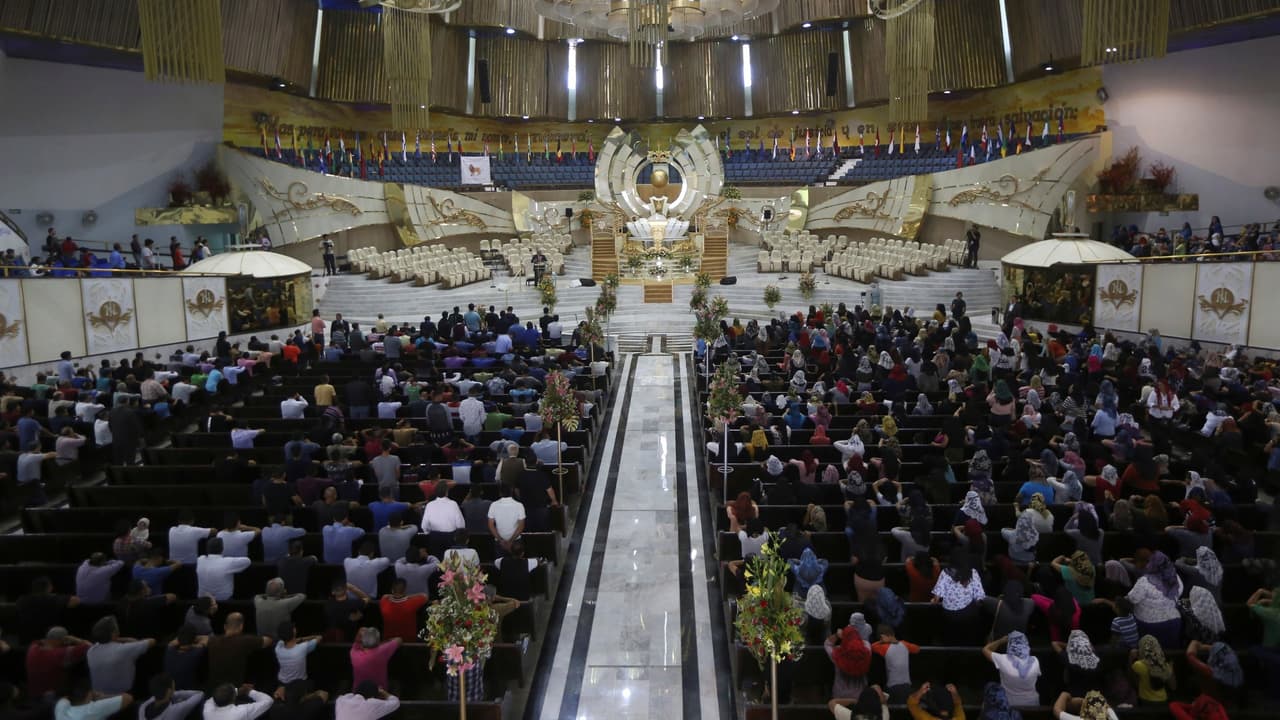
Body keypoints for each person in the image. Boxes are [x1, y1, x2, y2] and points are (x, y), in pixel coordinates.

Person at [86, 615, 154, 694]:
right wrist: (123, 639)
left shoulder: (91, 651)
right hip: (122, 695)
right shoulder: (123, 649)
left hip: (98, 696)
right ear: (114, 633)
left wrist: (113, 639)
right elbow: (152, 641)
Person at [984, 632, 1041, 707]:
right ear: (1026, 644)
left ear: (1009, 644)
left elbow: (985, 649)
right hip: (1032, 706)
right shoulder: (1035, 661)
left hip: (1009, 706)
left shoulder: (1002, 659)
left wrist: (1001, 640)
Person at [53, 676, 133, 720]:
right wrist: (102, 697)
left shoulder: (61, 708)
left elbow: (64, 698)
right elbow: (128, 698)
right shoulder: (92, 709)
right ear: (89, 694)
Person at [379, 577, 429, 642]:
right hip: (409, 641)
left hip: (388, 641)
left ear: (392, 590)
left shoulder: (384, 602)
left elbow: (385, 596)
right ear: (405, 590)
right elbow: (425, 596)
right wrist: (408, 597)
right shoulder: (412, 603)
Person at [136, 674, 203, 720]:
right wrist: (175, 694)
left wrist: (171, 694)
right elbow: (200, 694)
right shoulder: (174, 711)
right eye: (173, 687)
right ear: (169, 691)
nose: (174, 689)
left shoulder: (143, 707)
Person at [202, 683, 274, 720]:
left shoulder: (207, 710)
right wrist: (249, 691)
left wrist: (238, 691)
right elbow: (268, 701)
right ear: (233, 698)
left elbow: (214, 697)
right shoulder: (240, 712)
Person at [335, 682, 400, 720]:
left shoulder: (341, 701)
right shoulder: (372, 704)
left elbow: (349, 695)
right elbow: (395, 702)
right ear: (372, 697)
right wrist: (382, 692)